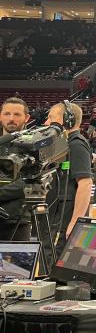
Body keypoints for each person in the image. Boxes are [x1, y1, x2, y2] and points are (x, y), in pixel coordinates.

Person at [45, 102, 93, 258]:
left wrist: (76, 222)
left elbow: (85, 184)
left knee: (59, 267)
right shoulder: (63, 144)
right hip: (58, 217)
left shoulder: (76, 144)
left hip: (66, 221)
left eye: (51, 117)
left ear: (68, 120)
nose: (46, 122)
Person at [0, 97, 32, 241]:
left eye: (17, 114)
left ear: (27, 118)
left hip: (16, 222)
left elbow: (31, 183)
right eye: (7, 114)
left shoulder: (35, 145)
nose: (11, 118)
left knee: (13, 265)